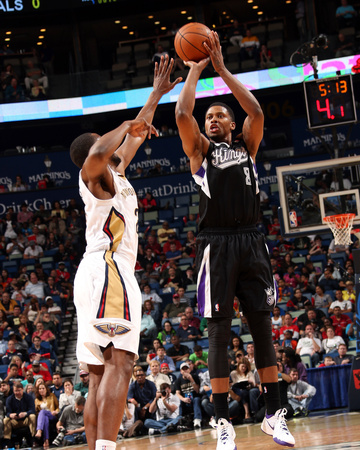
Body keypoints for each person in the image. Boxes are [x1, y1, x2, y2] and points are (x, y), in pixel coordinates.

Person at [175, 30, 295, 447]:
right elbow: (182, 117)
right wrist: (194, 71)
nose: (213, 119)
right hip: (215, 244)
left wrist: (223, 70)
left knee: (262, 326)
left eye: (220, 115)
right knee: (220, 333)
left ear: (231, 123)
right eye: (210, 117)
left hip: (251, 240)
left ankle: (275, 414)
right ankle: (222, 421)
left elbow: (257, 110)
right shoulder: (201, 152)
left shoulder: (248, 145)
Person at [70, 55, 180, 450]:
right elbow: (103, 149)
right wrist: (121, 126)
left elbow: (133, 137)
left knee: (99, 375)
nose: (120, 149)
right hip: (108, 270)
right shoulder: (93, 176)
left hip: (97, 274)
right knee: (122, 364)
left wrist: (155, 95)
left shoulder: (114, 174)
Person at [3, 382, 36, 447]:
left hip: (25, 419)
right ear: (13, 390)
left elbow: (32, 410)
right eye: (16, 391)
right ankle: (8, 442)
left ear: (23, 389)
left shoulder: (28, 397)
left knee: (32, 416)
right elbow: (7, 412)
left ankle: (34, 439)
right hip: (14, 421)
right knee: (6, 420)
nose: (17, 393)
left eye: (19, 390)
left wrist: (25, 413)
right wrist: (10, 415)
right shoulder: (9, 399)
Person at [175, 362, 202, 429]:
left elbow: (197, 390)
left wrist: (191, 379)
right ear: (181, 371)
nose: (185, 371)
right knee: (180, 402)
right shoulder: (178, 380)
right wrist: (183, 399)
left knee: (197, 399)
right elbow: (177, 393)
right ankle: (180, 420)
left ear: (189, 370)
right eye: (183, 369)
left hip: (194, 398)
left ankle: (197, 420)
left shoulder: (195, 377)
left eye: (186, 369)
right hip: (185, 399)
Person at [34, 382, 59, 448]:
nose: (41, 390)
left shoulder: (52, 396)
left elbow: (58, 407)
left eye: (43, 388)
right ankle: (46, 440)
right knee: (45, 418)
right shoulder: (37, 400)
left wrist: (55, 412)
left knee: (42, 412)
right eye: (40, 389)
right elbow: (36, 412)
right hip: (44, 418)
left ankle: (39, 430)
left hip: (52, 415)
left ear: (46, 389)